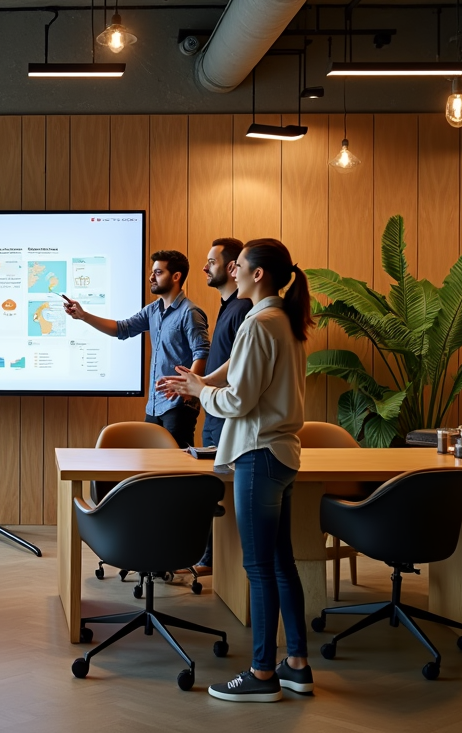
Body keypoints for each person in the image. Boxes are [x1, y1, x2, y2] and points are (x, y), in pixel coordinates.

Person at [160, 238, 313, 703]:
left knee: (259, 568)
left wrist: (201, 393)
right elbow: (239, 375)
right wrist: (200, 380)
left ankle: (263, 672)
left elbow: (238, 400)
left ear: (257, 274)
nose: (233, 269)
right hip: (283, 455)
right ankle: (297, 665)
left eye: (239, 264)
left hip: (258, 455)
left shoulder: (257, 323)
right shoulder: (282, 319)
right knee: (282, 564)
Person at [63, 250, 209, 447]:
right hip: (155, 405)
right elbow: (122, 329)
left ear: (176, 277)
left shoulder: (189, 312)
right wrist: (84, 316)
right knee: (149, 466)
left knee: (176, 470)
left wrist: (189, 388)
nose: (151, 277)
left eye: (158, 273)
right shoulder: (153, 310)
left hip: (178, 405)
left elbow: (202, 352)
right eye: (152, 272)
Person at [190, 237, 251, 577]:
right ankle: (209, 560)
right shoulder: (229, 306)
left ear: (231, 267)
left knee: (219, 491)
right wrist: (197, 385)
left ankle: (211, 562)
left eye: (211, 262)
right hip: (214, 410)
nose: (205, 267)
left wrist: (202, 384)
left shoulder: (242, 309)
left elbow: (237, 364)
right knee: (216, 489)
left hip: (226, 413)